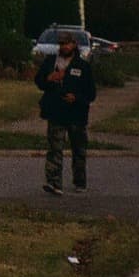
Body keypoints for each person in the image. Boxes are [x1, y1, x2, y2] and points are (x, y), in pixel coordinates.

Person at [34, 30, 96, 196]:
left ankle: (80, 181)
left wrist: (76, 98)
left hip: (77, 114)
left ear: (74, 45)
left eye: (67, 43)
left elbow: (91, 94)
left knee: (79, 150)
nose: (63, 46)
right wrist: (49, 79)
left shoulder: (82, 66)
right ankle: (54, 182)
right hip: (56, 112)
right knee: (55, 148)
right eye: (61, 43)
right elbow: (39, 81)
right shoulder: (50, 62)